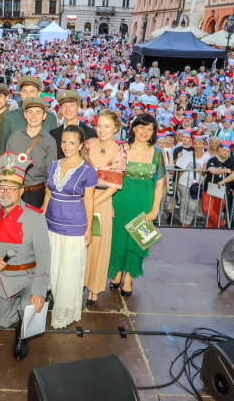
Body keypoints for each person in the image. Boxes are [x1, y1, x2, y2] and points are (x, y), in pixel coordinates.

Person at [0, 152, 50, 360]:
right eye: (2, 188)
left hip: (28, 277)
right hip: (2, 278)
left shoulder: (36, 216)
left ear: (21, 191)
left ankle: (23, 331)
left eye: (11, 189)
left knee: (29, 306)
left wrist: (39, 289)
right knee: (2, 321)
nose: (5, 193)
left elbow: (44, 255)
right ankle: (22, 308)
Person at [42, 125, 96, 328]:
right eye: (64, 141)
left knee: (69, 270)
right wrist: (42, 214)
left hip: (74, 226)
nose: (67, 146)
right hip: (50, 223)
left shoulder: (88, 171)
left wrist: (88, 229)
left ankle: (64, 312)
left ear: (81, 144)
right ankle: (53, 299)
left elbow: (89, 201)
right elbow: (48, 192)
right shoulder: (54, 165)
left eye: (72, 142)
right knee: (53, 267)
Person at [108, 114, 165, 295]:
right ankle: (116, 272)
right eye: (142, 127)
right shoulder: (119, 149)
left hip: (144, 202)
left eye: (150, 129)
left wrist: (155, 208)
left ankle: (129, 277)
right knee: (117, 238)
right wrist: (108, 202)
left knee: (138, 241)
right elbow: (109, 177)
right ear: (133, 128)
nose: (145, 132)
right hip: (120, 199)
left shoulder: (157, 153)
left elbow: (160, 183)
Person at [81, 109, 126, 306]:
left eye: (107, 126)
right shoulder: (88, 144)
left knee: (97, 245)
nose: (102, 129)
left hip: (101, 204)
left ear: (116, 128)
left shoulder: (120, 153)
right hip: (81, 198)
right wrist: (82, 200)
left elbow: (114, 187)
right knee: (81, 244)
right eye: (99, 125)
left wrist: (91, 204)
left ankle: (94, 289)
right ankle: (80, 281)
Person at [5, 96, 58, 209]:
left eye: (38, 113)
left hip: (37, 193)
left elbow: (51, 177)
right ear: (25, 115)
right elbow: (7, 170)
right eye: (30, 112)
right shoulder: (13, 138)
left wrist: (46, 203)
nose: (33, 116)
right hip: (14, 192)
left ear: (44, 116)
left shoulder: (50, 142)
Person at [0, 75, 59, 153]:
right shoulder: (9, 117)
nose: (28, 95)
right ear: (20, 93)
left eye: (32, 91)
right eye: (24, 91)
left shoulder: (50, 118)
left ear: (39, 93)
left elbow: (53, 150)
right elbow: (3, 149)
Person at [201, 139, 234, 228]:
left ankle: (210, 231)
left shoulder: (231, 161)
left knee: (217, 212)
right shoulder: (212, 159)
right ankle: (221, 224)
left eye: (228, 151)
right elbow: (212, 170)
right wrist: (226, 170)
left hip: (222, 191)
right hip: (208, 189)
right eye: (224, 150)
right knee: (207, 209)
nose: (225, 152)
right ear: (219, 149)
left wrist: (223, 181)